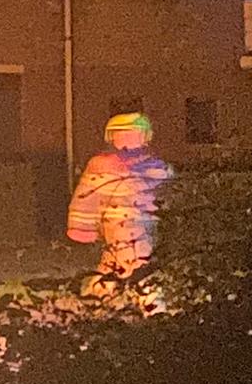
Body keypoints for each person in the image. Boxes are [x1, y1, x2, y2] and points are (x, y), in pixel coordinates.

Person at [66, 112, 174, 289]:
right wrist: (81, 225)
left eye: (132, 135)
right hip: (116, 222)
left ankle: (105, 292)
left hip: (144, 222)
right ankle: (144, 296)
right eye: (121, 135)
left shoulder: (154, 165)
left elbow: (169, 193)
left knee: (126, 257)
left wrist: (169, 217)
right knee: (129, 258)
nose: (126, 139)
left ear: (145, 137)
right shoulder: (100, 165)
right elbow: (86, 196)